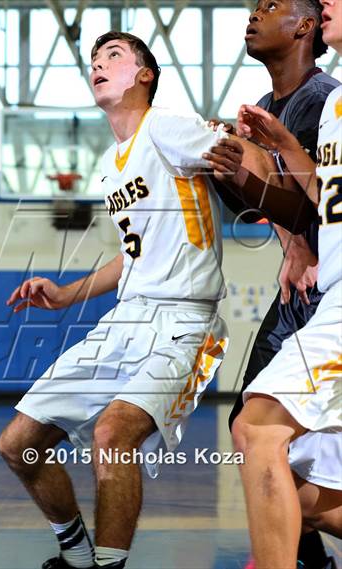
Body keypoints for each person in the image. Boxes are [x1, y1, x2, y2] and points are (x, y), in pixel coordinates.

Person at [0, 31, 235, 569]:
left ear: (144, 75)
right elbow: (132, 257)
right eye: (94, 60)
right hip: (124, 319)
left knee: (112, 435)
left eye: (114, 56)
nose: (98, 66)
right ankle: (78, 555)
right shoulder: (110, 164)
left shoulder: (167, 127)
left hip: (183, 324)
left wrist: (290, 228)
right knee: (17, 443)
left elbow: (232, 150)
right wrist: (66, 294)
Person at [209, 0, 342, 566]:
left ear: (305, 27)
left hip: (327, 297)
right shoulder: (331, 105)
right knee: (298, 477)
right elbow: (319, 195)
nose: (253, 14)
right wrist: (267, 153)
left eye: (270, 6)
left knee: (258, 431)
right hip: (329, 288)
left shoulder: (320, 92)